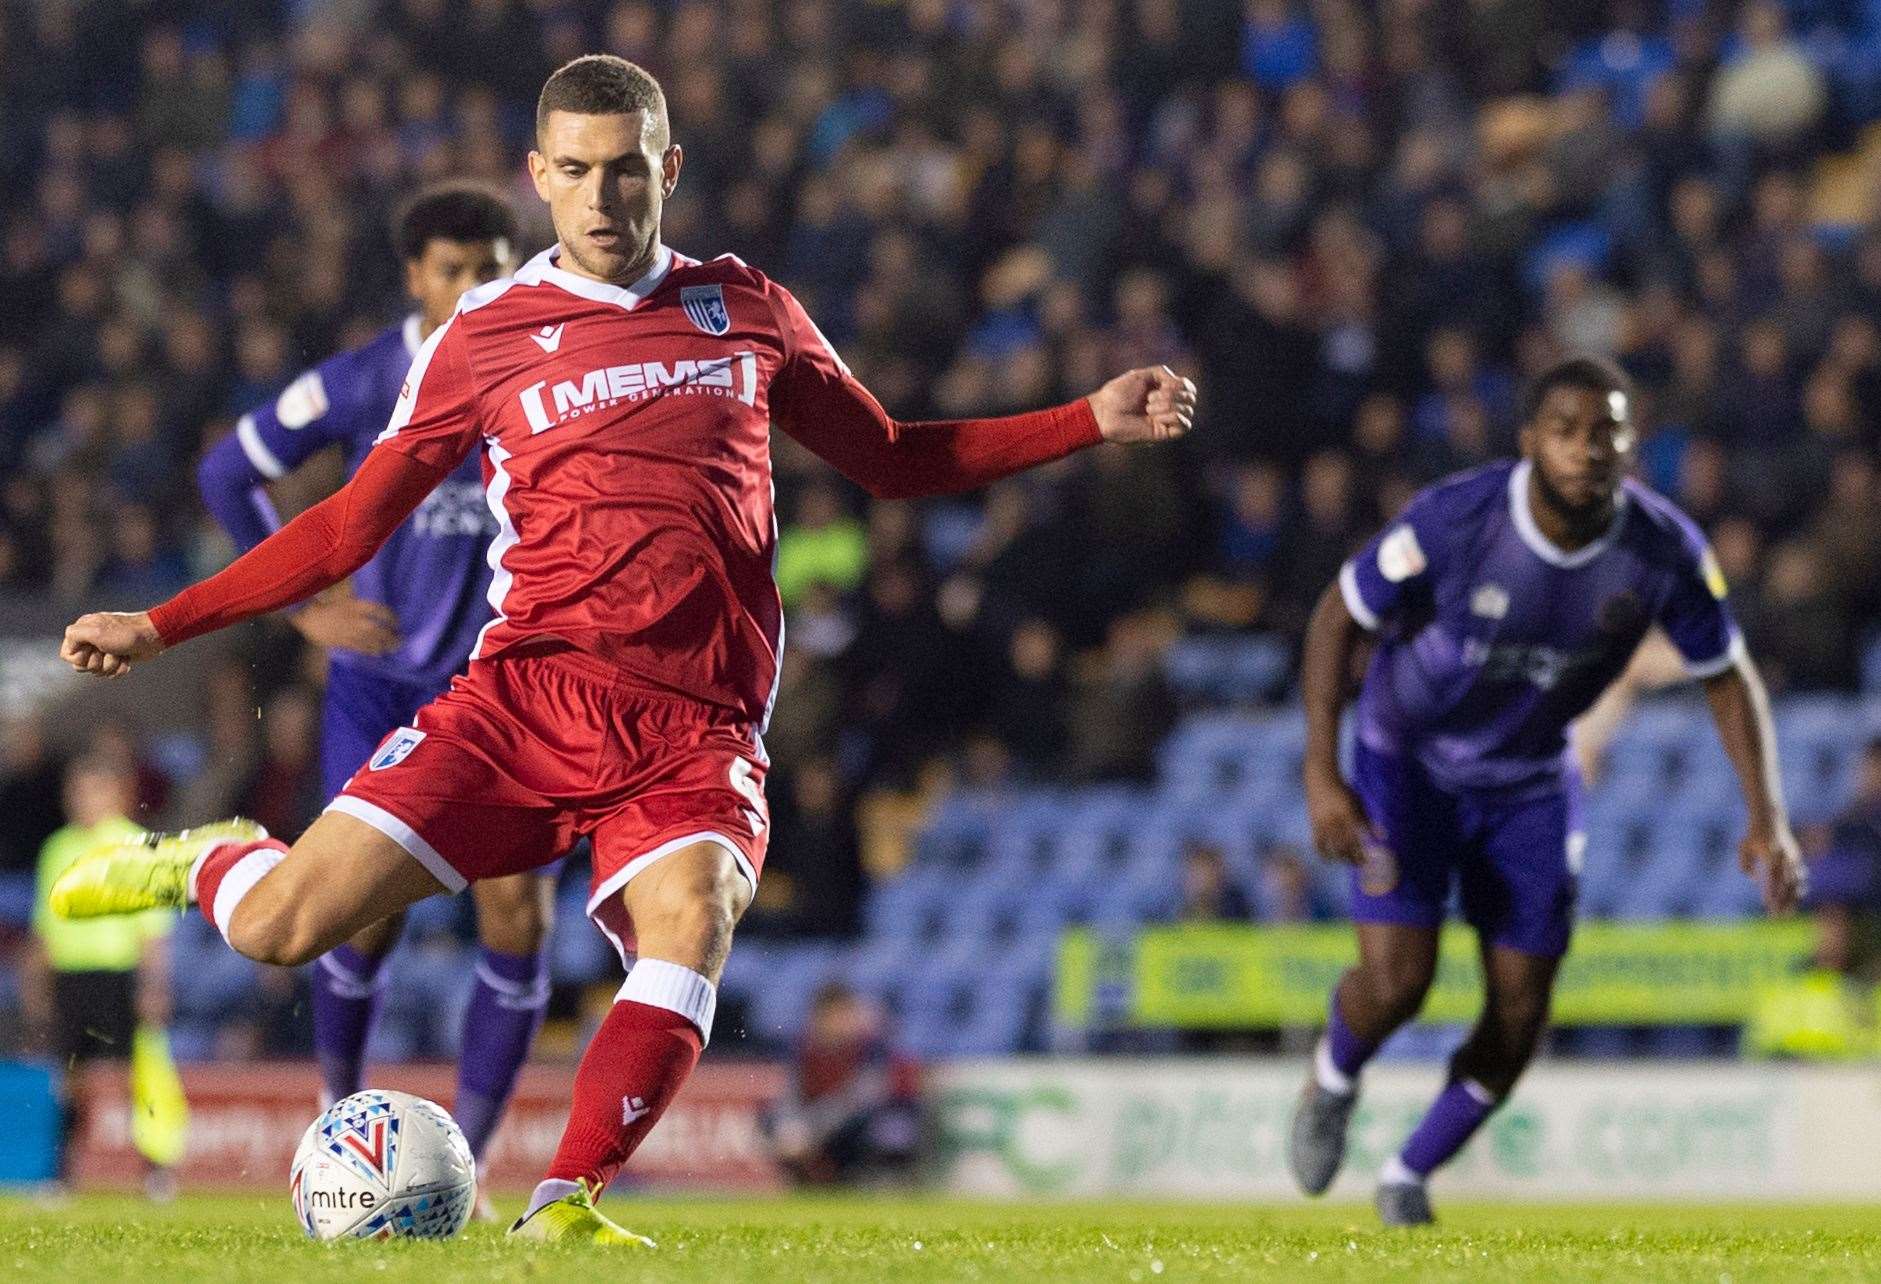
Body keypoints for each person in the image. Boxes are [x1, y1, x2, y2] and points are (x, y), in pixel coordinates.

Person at [51, 54, 1196, 1245]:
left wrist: (1086, 419)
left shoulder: (747, 305)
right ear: (540, 178)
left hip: (696, 729)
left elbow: (895, 457)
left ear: (670, 169)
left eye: (629, 169)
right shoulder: (485, 336)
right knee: (281, 929)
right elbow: (347, 526)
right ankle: (213, 861)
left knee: (691, 918)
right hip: (524, 703)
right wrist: (159, 622)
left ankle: (563, 1204)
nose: (604, 197)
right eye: (579, 172)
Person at [1288, 356, 1802, 1226]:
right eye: (1564, 431)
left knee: (1522, 1006)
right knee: (1398, 984)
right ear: (1529, 442)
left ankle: (1408, 1173)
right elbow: (1338, 613)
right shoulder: (1456, 521)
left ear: (1632, 444)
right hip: (1406, 764)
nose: (1584, 450)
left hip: (1529, 783)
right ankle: (1334, 1078)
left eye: (1604, 431)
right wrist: (1319, 770)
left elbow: (1727, 675)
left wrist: (1768, 820)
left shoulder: (1664, 551)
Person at [195, 183, 550, 1185]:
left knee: (517, 915)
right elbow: (229, 472)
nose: (476, 286)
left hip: (503, 698)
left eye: (492, 267)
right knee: (360, 915)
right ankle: (335, 1127)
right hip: (378, 691)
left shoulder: (544, 372)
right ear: (414, 275)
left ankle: (468, 1168)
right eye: (455, 269)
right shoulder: (363, 381)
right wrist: (304, 604)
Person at [24, 749, 182, 1198]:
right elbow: (44, 925)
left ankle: (157, 1169)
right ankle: (61, 1173)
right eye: (76, 790)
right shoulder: (57, 848)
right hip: (72, 977)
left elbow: (153, 928)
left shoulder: (135, 844)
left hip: (122, 975)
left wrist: (154, 985)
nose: (83, 799)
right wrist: (39, 986)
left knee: (146, 1074)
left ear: (118, 795)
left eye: (93, 789)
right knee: (69, 1076)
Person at [760, 983, 921, 1186]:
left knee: (886, 1127)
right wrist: (789, 1126)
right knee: (769, 1121)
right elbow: (788, 1094)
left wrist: (810, 1131)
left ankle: (870, 1182)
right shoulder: (802, 1049)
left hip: (851, 1126)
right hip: (811, 1124)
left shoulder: (872, 1050)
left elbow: (858, 1100)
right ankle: (805, 1178)